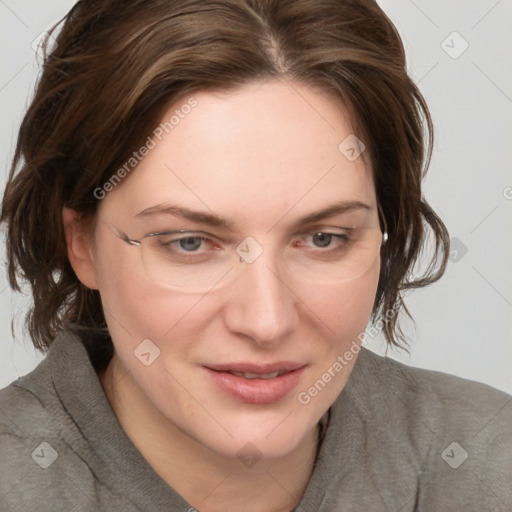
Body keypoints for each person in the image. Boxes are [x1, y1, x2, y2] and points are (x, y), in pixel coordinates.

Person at [0, 0, 510, 511]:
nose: (266, 322)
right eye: (190, 243)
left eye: (324, 238)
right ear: (82, 243)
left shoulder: (488, 460)